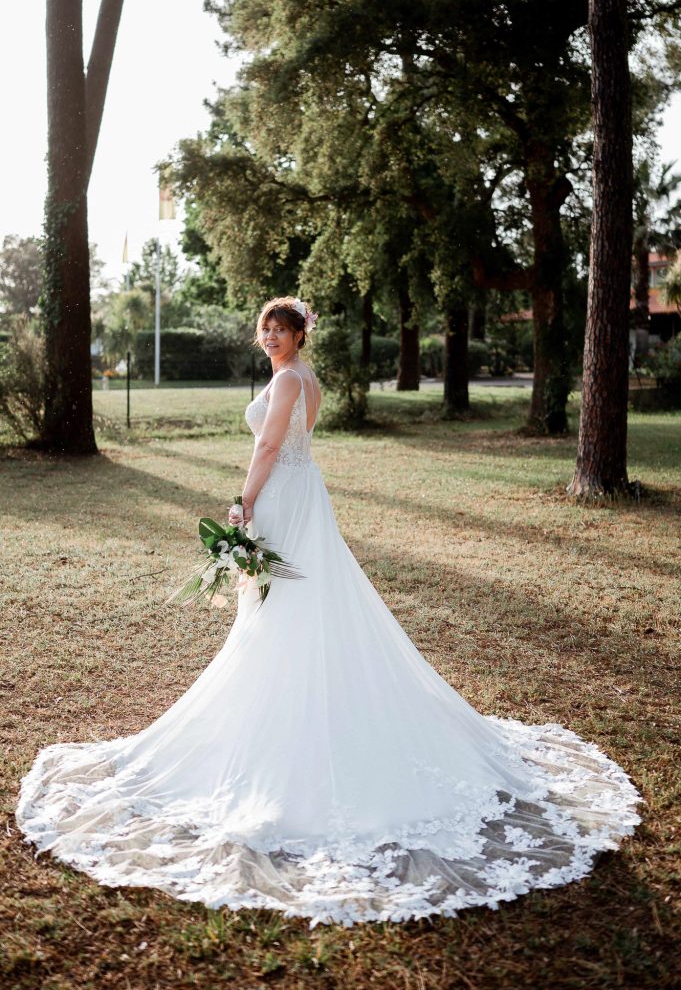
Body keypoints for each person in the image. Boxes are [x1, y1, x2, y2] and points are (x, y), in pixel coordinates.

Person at [15, 296, 641, 927]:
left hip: (282, 496)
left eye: (281, 329)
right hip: (304, 493)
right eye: (265, 329)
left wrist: (243, 503)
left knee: (283, 605)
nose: (271, 337)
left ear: (298, 334)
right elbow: (293, 439)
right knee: (291, 602)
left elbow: (268, 447)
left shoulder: (290, 379)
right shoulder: (305, 378)